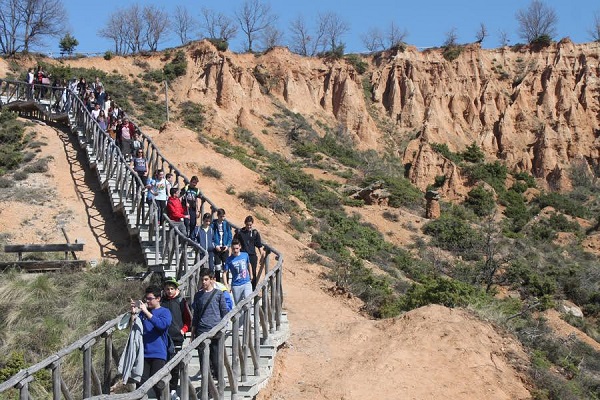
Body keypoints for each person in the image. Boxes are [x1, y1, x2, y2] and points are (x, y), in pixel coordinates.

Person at [130, 285, 172, 400]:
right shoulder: (143, 313)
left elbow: (162, 325)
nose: (147, 301)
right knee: (140, 385)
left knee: (158, 385)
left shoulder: (165, 312)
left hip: (158, 354)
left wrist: (146, 312)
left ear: (158, 298)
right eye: (146, 299)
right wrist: (134, 314)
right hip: (143, 354)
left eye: (150, 299)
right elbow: (135, 329)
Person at [191, 269, 229, 382]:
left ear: (212, 280)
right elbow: (196, 316)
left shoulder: (219, 294)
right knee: (203, 359)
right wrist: (192, 334)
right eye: (202, 279)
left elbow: (224, 312)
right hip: (201, 330)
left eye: (206, 279)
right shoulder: (198, 295)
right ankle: (206, 382)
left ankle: (217, 381)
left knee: (216, 358)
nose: (204, 282)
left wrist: (223, 327)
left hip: (216, 330)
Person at [161, 277, 192, 398]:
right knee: (164, 363)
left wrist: (183, 330)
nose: (169, 291)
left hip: (177, 338)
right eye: (167, 289)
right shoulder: (161, 302)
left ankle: (173, 389)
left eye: (172, 289)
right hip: (163, 338)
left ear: (176, 289)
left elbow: (188, 320)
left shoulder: (181, 301)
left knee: (175, 365)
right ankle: (165, 389)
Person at [224, 239, 252, 322]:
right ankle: (240, 322)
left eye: (236, 248)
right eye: (233, 249)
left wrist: (251, 275)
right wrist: (226, 285)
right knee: (238, 305)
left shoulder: (245, 255)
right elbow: (224, 273)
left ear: (240, 247)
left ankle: (248, 320)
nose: (235, 250)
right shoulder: (229, 259)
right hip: (236, 285)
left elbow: (249, 264)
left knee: (248, 300)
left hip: (246, 282)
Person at [233, 215, 265, 289]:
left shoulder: (255, 233)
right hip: (243, 255)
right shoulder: (240, 232)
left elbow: (259, 245)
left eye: (250, 225)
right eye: (247, 225)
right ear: (245, 224)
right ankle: (242, 287)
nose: (249, 226)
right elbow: (234, 243)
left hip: (252, 256)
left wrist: (262, 256)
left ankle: (252, 290)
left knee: (253, 273)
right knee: (243, 272)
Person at [211, 208, 232, 282]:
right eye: (221, 216)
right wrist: (215, 245)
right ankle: (218, 282)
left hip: (224, 248)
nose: (222, 218)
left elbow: (230, 236)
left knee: (225, 266)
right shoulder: (213, 225)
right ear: (218, 216)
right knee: (217, 266)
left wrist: (227, 245)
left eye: (223, 216)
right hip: (217, 248)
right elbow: (211, 236)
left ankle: (226, 282)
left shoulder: (226, 224)